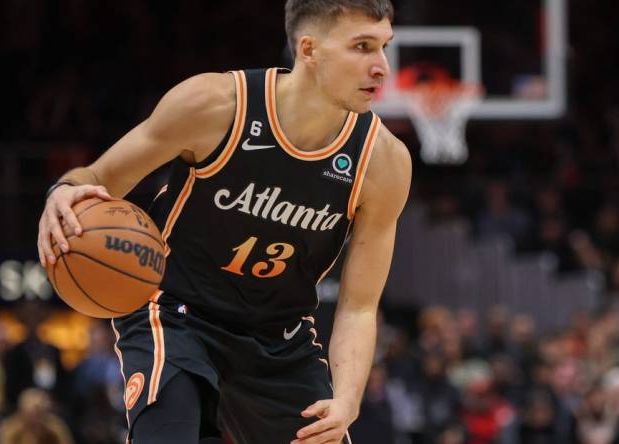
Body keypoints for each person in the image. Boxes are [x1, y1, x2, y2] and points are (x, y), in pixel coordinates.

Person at [36, 1, 411, 443]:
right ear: (309, 50)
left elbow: (359, 305)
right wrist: (60, 193)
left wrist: (347, 400)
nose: (382, 67)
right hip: (175, 311)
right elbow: (98, 178)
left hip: (280, 338)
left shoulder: (382, 163)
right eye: (362, 47)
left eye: (384, 46)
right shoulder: (215, 105)